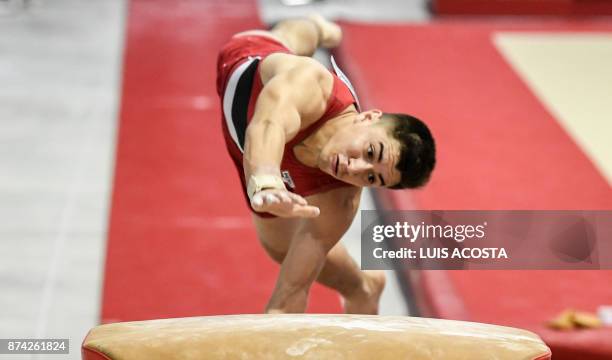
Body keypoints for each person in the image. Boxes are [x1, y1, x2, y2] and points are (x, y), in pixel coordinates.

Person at [216, 15, 436, 314]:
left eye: (372, 179)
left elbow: (291, 291)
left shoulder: (340, 198)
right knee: (289, 40)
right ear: (368, 116)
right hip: (247, 61)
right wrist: (267, 180)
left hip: (252, 154)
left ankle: (363, 286)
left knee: (283, 251)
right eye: (371, 152)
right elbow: (268, 125)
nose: (354, 169)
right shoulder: (311, 85)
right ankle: (316, 27)